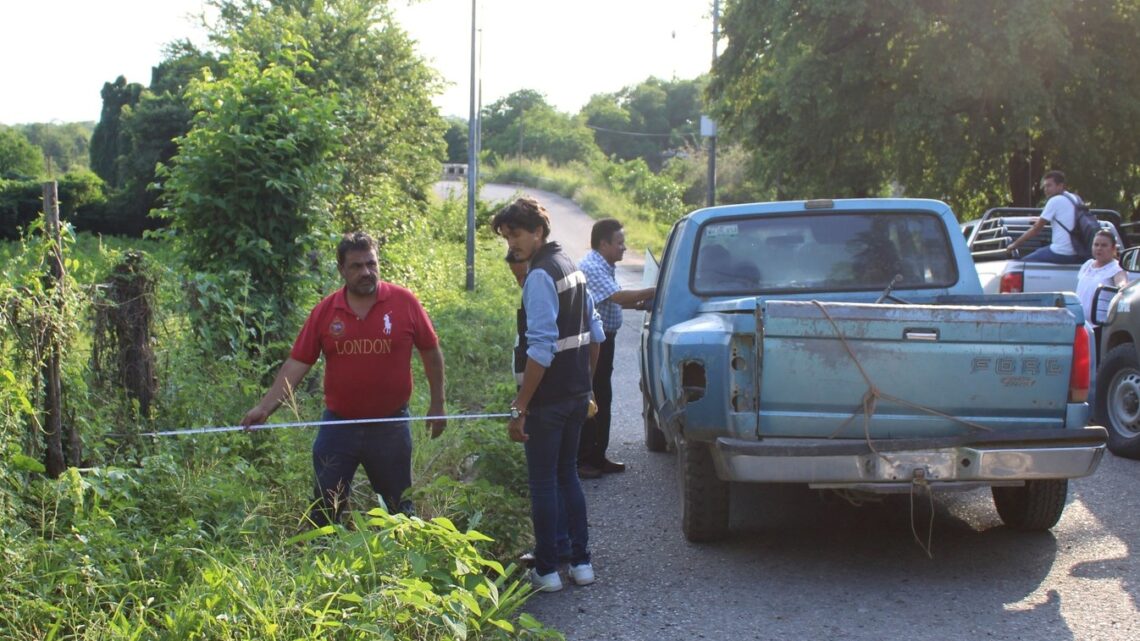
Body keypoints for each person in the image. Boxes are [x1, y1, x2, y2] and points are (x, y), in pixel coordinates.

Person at [240, 232, 446, 526]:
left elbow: (431, 352)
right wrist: (264, 408)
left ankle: (402, 562)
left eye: (371, 264)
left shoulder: (404, 302)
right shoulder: (326, 311)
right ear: (341, 270)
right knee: (325, 507)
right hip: (338, 425)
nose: (366, 272)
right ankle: (323, 560)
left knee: (399, 510)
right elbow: (297, 363)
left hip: (390, 425)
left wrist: (438, 403)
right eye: (356, 266)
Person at [492, 197, 605, 593]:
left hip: (548, 401)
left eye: (517, 234)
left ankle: (547, 570)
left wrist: (520, 406)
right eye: (507, 237)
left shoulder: (540, 275)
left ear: (538, 231)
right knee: (567, 475)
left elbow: (540, 347)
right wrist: (585, 384)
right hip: (575, 394)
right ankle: (581, 562)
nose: (512, 244)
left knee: (543, 481)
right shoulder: (571, 266)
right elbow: (597, 333)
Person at [576, 218, 656, 478]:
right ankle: (585, 458)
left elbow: (617, 301)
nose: (624, 248)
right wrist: (658, 289)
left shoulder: (605, 265)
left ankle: (599, 456)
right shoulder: (593, 265)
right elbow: (618, 297)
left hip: (605, 340)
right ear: (603, 244)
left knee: (603, 397)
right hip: (593, 343)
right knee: (594, 397)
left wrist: (645, 303)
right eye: (619, 243)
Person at [1006, 170, 1087, 264]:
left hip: (1061, 252)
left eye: (1049, 185)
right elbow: (1068, 218)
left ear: (1060, 186)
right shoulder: (1075, 198)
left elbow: (1036, 229)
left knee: (1022, 264)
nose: (1045, 189)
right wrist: (1041, 219)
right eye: (1045, 186)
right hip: (1079, 253)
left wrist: (1014, 245)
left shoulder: (1055, 200)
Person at [1076, 229, 1128, 323]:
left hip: (1100, 325)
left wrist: (1121, 287)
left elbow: (1122, 285)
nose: (1099, 248)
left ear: (1113, 249)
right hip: (1080, 323)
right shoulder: (1087, 265)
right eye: (1096, 245)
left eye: (1104, 245)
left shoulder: (1117, 268)